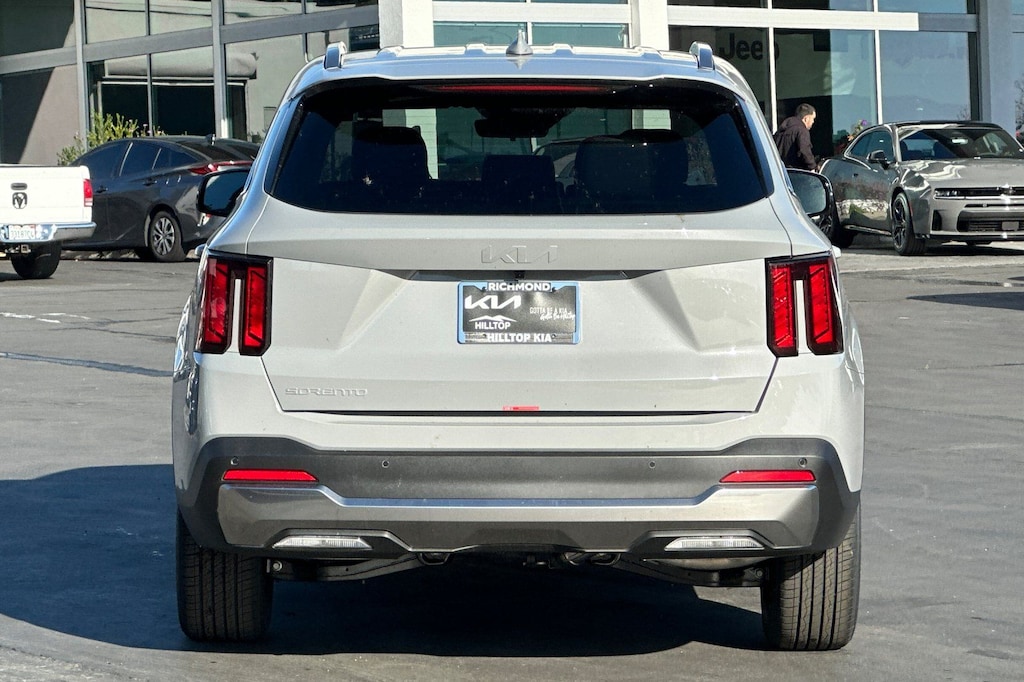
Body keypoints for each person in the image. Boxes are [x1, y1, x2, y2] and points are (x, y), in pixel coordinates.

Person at [774, 103, 817, 170]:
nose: (813, 121)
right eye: (813, 118)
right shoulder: (802, 130)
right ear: (806, 118)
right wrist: (812, 166)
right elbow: (804, 150)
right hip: (796, 172)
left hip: (779, 171)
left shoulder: (780, 131)